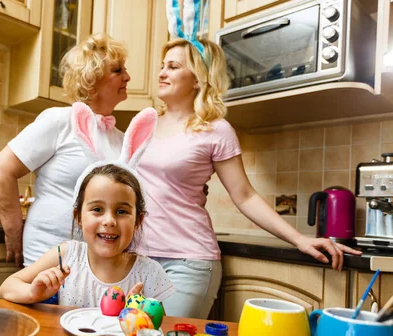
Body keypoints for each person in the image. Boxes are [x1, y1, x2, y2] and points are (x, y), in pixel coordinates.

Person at [135, 37, 362, 319]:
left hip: (187, 262)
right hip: (137, 258)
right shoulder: (143, 123)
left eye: (173, 66)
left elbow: (245, 195)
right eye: (162, 66)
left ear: (197, 79)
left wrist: (298, 239)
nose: (161, 73)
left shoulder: (216, 130)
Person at [0, 33, 130, 269]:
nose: (127, 76)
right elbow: (2, 168)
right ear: (92, 78)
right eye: (117, 70)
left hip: (98, 267)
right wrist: (13, 233)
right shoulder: (61, 121)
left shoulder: (121, 139)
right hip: (48, 259)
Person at [0, 163, 176, 306]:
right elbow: (6, 287)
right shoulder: (66, 255)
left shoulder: (148, 272)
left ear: (138, 220)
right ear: (79, 217)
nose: (109, 221)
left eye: (121, 211)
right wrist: (32, 293)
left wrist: (138, 316)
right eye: (97, 209)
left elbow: (158, 331)